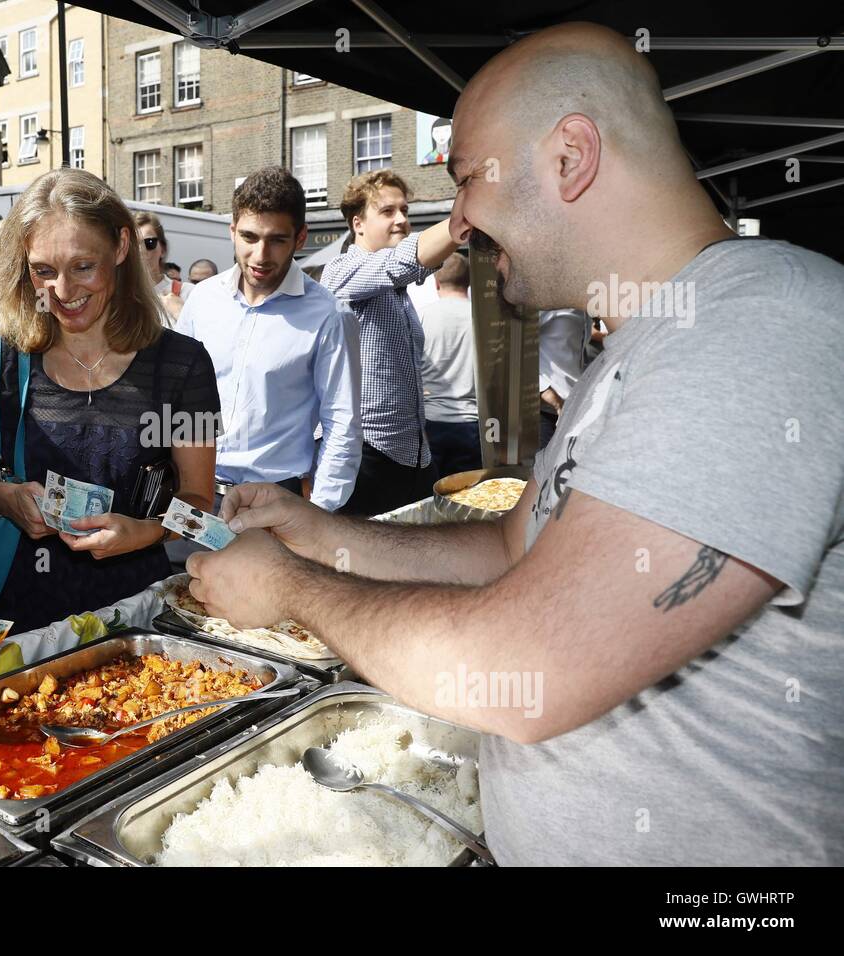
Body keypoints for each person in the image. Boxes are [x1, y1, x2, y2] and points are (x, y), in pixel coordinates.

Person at [185, 22, 844, 865]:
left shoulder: (759, 326)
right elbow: (511, 547)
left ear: (571, 156)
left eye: (468, 179)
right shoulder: (646, 341)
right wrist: (325, 536)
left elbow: (529, 663)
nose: (459, 222)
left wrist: (291, 587)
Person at [0, 168, 218, 632]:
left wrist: (146, 531)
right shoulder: (1, 349)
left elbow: (201, 506)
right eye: (43, 271)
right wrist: (2, 497)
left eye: (83, 267)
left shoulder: (182, 365)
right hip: (16, 613)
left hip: (136, 619)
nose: (64, 292)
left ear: (121, 247)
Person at [177, 166, 361, 511]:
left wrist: (319, 514)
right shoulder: (202, 300)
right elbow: (173, 395)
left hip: (273, 501)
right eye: (249, 237)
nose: (261, 256)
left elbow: (342, 425)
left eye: (276, 240)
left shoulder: (329, 316)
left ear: (300, 238)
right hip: (193, 493)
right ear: (232, 232)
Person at [321, 171, 458, 516]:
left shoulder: (399, 291)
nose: (401, 220)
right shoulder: (341, 271)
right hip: (367, 455)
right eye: (387, 211)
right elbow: (401, 263)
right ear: (358, 224)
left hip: (415, 453)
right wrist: (468, 213)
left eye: (405, 211)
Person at [419, 252, 481, 477]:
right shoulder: (482, 319)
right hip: (473, 422)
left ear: (435, 282)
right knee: (469, 502)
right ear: (470, 282)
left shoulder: (422, 317)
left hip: (431, 421)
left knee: (431, 500)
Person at [537, 307, 589, 449]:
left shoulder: (582, 307)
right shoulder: (549, 301)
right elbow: (513, 338)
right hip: (546, 413)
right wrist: (542, 388)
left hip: (572, 409)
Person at [133, 210, 187, 323]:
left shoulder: (188, 293)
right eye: (132, 244)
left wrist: (179, 312)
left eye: (149, 242)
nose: (141, 250)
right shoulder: (115, 297)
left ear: (163, 249)